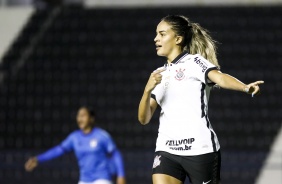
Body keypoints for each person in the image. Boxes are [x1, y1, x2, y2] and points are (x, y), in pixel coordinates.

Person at [138, 15, 264, 184]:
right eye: (156, 34)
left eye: (162, 34)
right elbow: (144, 118)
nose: (156, 39)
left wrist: (245, 87)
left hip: (200, 150)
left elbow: (220, 78)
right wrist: (147, 90)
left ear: (178, 38)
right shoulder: (158, 74)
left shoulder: (194, 62)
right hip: (167, 149)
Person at [25, 106, 126, 184]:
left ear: (91, 119)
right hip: (84, 180)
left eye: (83, 115)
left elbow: (115, 154)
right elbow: (58, 150)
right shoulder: (74, 138)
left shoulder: (101, 136)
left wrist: (121, 175)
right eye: (78, 116)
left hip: (102, 179)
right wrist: (38, 159)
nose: (80, 119)